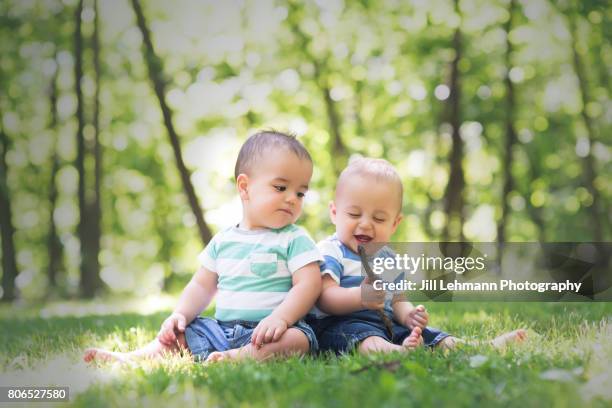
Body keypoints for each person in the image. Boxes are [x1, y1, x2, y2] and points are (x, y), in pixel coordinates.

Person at [84, 131, 323, 363]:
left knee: (298, 339)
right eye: (281, 188)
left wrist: (281, 318)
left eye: (301, 193)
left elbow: (309, 284)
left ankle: (240, 357)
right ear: (244, 187)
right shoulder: (223, 240)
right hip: (220, 331)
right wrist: (181, 314)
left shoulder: (295, 238)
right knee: (181, 332)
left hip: (272, 330)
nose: (292, 198)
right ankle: (135, 358)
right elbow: (201, 285)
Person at [307, 158, 527, 354]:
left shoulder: (387, 258)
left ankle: (475, 347)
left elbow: (398, 300)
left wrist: (409, 316)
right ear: (334, 213)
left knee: (429, 334)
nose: (365, 224)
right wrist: (360, 297)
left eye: (380, 219)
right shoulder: (330, 250)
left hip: (387, 324)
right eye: (354, 214)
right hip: (340, 324)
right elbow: (325, 298)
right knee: (365, 337)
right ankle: (395, 352)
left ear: (394, 224)